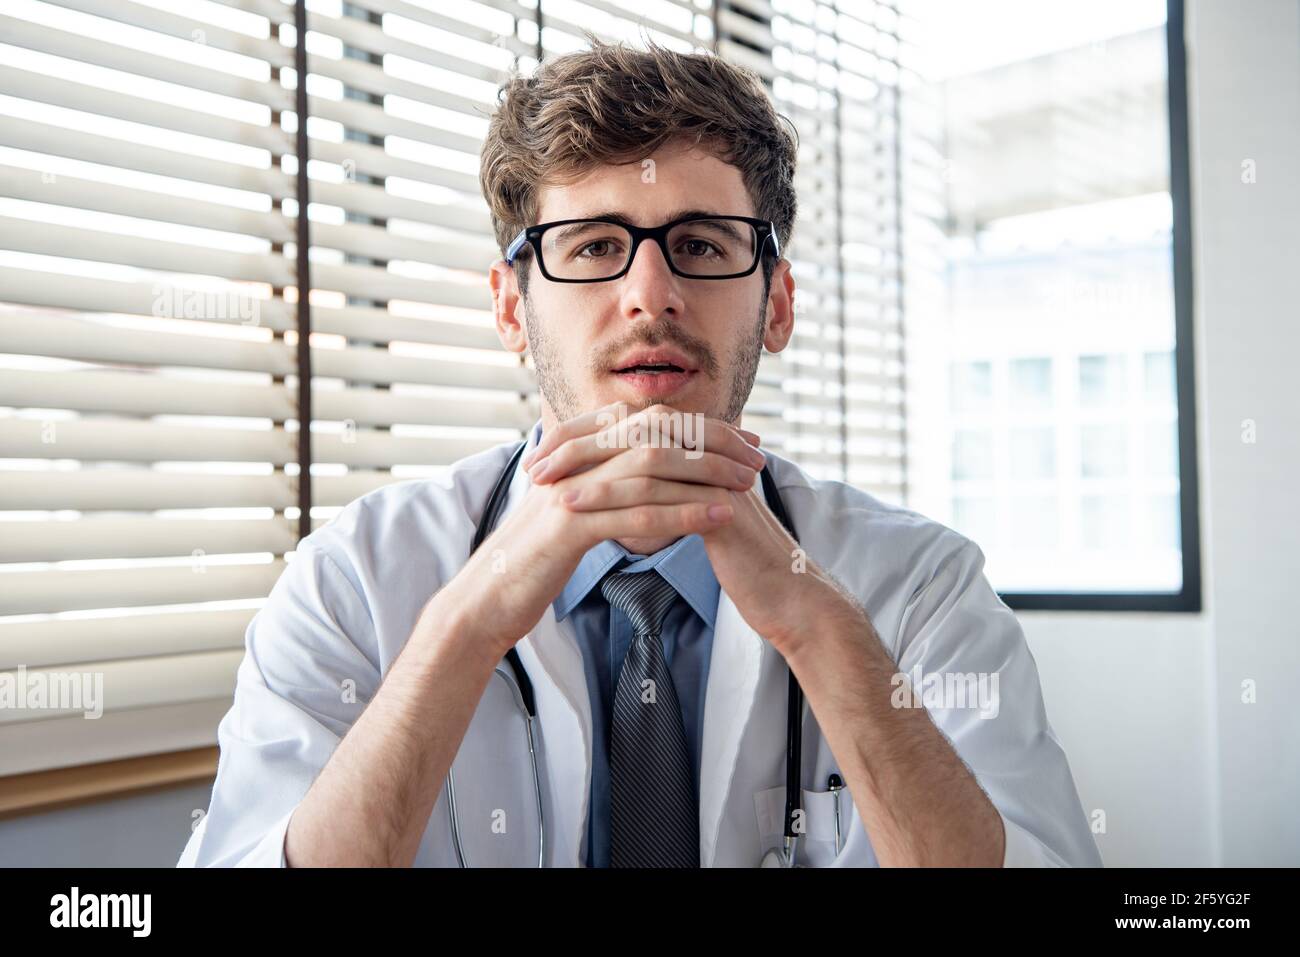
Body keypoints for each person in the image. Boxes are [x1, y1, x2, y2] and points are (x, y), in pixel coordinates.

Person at [177, 38, 1101, 868]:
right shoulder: (354, 581)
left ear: (776, 304)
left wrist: (818, 625)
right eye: (593, 246)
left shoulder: (920, 586)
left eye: (701, 244)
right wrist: (469, 621)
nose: (650, 294)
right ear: (511, 307)